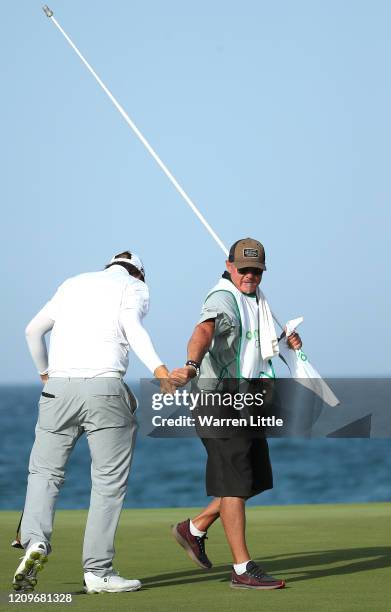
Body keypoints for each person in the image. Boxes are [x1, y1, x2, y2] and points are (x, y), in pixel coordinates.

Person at [13, 251, 171, 594]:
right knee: (107, 483)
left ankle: (34, 541)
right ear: (140, 274)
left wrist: (45, 374)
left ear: (108, 266)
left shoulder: (72, 283)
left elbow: (32, 331)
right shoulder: (135, 287)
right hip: (105, 389)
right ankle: (98, 572)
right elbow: (133, 328)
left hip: (58, 388)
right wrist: (160, 370)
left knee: (44, 473)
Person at [169, 238, 302, 590]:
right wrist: (190, 365)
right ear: (229, 266)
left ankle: (194, 527)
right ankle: (242, 569)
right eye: (244, 269)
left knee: (254, 478)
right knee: (234, 482)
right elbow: (203, 330)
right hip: (218, 401)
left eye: (257, 270)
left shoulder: (255, 299)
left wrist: (285, 338)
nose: (250, 276)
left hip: (246, 399)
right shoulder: (222, 299)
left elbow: (256, 339)